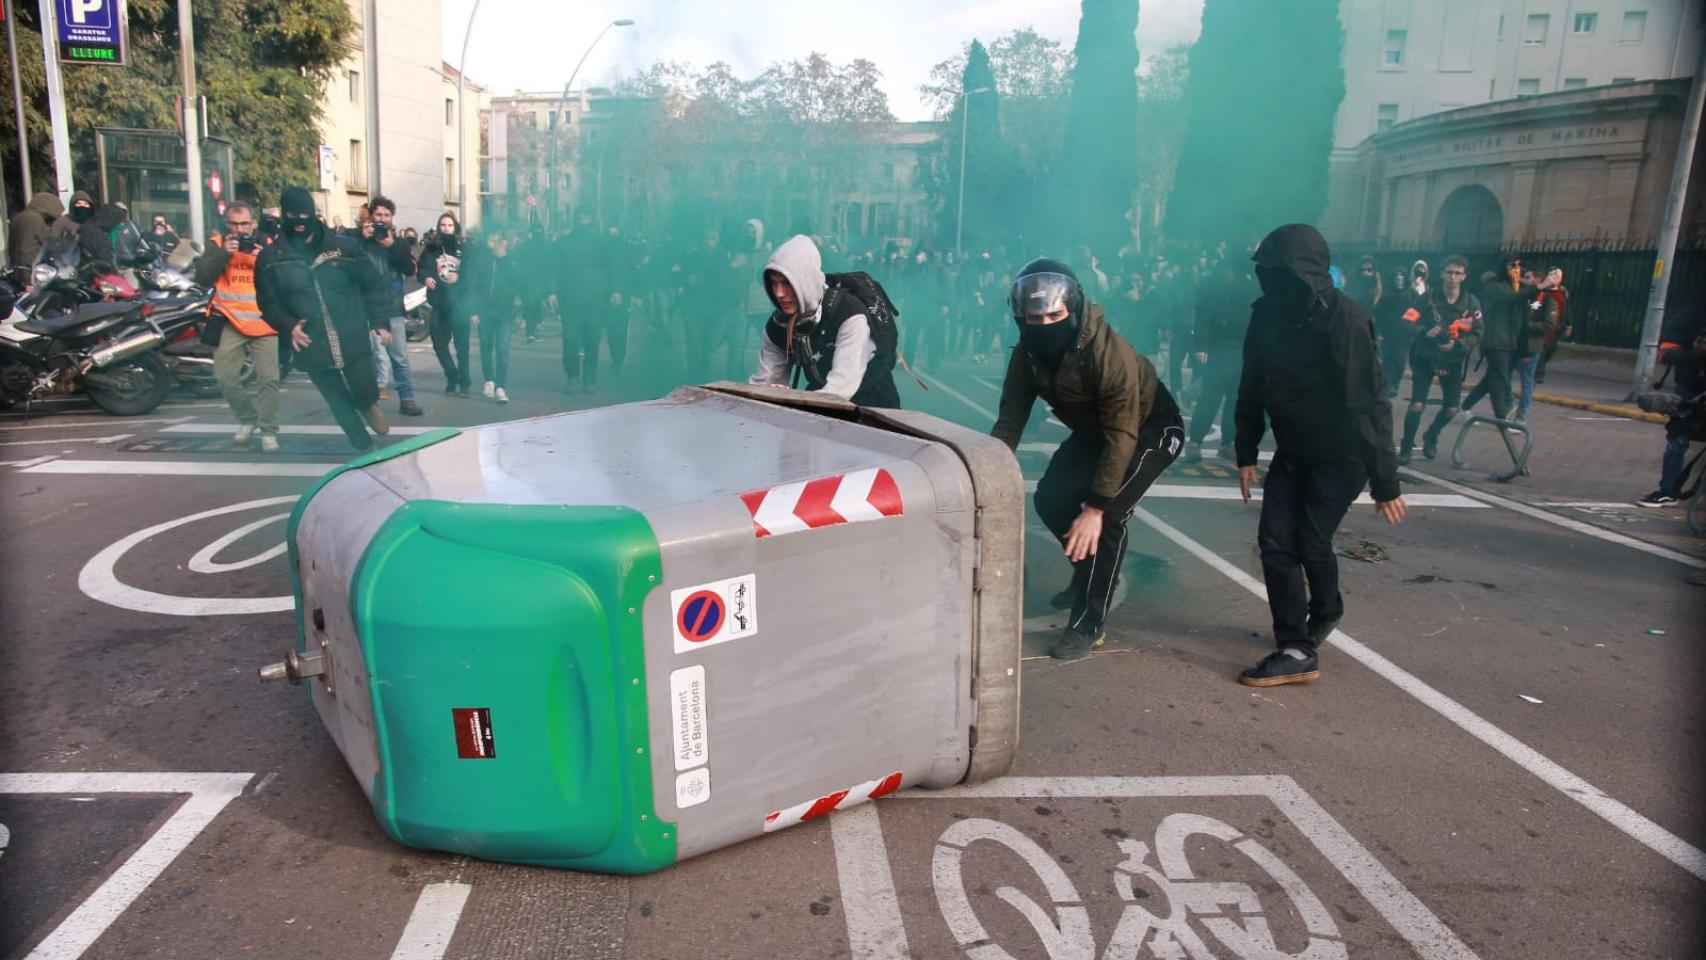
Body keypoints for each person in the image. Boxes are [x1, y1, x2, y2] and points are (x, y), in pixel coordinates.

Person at [1234, 224, 1406, 687]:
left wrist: (1384, 480)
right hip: (1293, 450)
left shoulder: (1344, 320)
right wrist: (1245, 450)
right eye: (1266, 273)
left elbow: (1368, 403)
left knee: (1310, 541)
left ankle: (1324, 610)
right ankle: (1295, 644)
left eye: (1281, 273)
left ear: (1304, 273)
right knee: (1275, 542)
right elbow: (1251, 383)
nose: (1273, 283)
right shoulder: (1266, 314)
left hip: (1341, 456)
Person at [992, 258, 1183, 660]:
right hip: (1096, 432)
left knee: (1108, 516)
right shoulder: (1027, 355)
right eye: (1034, 317)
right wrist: (985, 470)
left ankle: (1088, 622)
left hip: (1148, 428)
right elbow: (1010, 419)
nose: (1045, 324)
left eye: (1055, 315)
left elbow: (1122, 434)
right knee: (1050, 499)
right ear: (1021, 317)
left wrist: (1095, 506)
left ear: (1074, 309)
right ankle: (1091, 569)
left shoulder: (1107, 354)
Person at [254, 187, 392, 452]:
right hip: (309, 340)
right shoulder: (271, 258)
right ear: (284, 216)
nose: (299, 221)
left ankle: (367, 403)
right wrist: (288, 325)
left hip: (350, 332)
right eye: (292, 215)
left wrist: (379, 321)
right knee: (337, 400)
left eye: (304, 215)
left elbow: (373, 285)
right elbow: (268, 304)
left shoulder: (344, 247)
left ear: (315, 215)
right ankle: (364, 447)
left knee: (364, 388)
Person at [749, 234, 900, 407]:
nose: (779, 293)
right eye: (774, 284)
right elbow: (763, 384)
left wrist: (790, 401)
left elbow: (840, 389)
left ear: (805, 280)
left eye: (786, 283)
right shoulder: (778, 325)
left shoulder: (849, 314)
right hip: (820, 399)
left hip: (874, 405)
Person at [194, 202, 282, 453]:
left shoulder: (266, 244)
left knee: (270, 380)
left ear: (253, 223)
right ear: (227, 223)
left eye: (244, 224)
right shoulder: (216, 243)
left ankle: (268, 430)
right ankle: (247, 419)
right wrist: (224, 253)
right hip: (230, 319)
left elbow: (281, 278)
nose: (240, 230)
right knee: (225, 377)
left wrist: (261, 258)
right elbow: (202, 277)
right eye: (234, 224)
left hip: (264, 321)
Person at [1398, 254, 1481, 463]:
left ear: (1464, 276)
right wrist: (1424, 331)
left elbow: (1478, 333)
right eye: (1449, 272)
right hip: (1424, 357)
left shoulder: (1471, 302)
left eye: (1457, 273)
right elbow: (1406, 322)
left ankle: (1431, 436)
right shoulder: (1428, 297)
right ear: (1442, 274)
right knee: (1417, 404)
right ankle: (1406, 447)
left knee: (1452, 408)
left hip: (1452, 360)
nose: (1453, 277)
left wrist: (1458, 345)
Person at [1184, 258, 1253, 462]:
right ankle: (1196, 442)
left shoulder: (1248, 291)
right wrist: (1201, 347)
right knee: (1210, 398)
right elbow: (1203, 320)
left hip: (1241, 351)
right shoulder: (1214, 294)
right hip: (1219, 350)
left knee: (1234, 401)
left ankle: (1227, 443)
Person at [1637, 304, 1705, 507]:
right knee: (1677, 440)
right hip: (1689, 389)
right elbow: (1665, 353)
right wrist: (1695, 353)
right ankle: (1668, 490)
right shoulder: (1691, 314)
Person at [361, 196, 423, 416]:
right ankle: (370, 403)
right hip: (366, 308)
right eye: (378, 215)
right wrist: (362, 237)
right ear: (371, 217)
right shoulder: (361, 241)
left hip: (393, 306)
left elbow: (409, 269)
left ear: (392, 218)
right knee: (368, 357)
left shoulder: (398, 243)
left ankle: (407, 399)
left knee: (399, 357)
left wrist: (392, 246)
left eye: (386, 215)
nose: (382, 220)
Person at [419, 213, 475, 397]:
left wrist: (460, 277)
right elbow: (423, 267)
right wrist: (426, 277)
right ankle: (452, 376)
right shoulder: (431, 249)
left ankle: (465, 384)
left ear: (455, 227)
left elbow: (473, 273)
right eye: (443, 225)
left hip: (460, 306)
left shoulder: (464, 248)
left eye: (450, 225)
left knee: (462, 347)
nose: (446, 228)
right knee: (439, 345)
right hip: (439, 304)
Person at [475, 233, 519, 403]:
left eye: (501, 240)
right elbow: (474, 284)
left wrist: (504, 259)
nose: (497, 243)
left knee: (502, 347)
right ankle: (489, 380)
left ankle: (501, 386)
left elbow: (517, 280)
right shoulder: (482, 258)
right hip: (485, 309)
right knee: (486, 345)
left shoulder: (512, 258)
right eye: (493, 239)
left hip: (505, 310)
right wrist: (473, 309)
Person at [1374, 264, 1413, 397]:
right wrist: (1378, 331)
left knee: (1400, 360)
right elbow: (1379, 314)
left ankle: (1394, 384)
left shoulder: (1410, 293)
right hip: (1387, 332)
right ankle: (1388, 385)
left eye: (1401, 275)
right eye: (1396, 275)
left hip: (1403, 334)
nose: (1399, 278)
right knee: (1387, 359)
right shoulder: (1386, 294)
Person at [8, 192, 64, 269]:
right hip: (30, 271)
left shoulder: (21, 216)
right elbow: (27, 251)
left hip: (18, 269)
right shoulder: (34, 219)